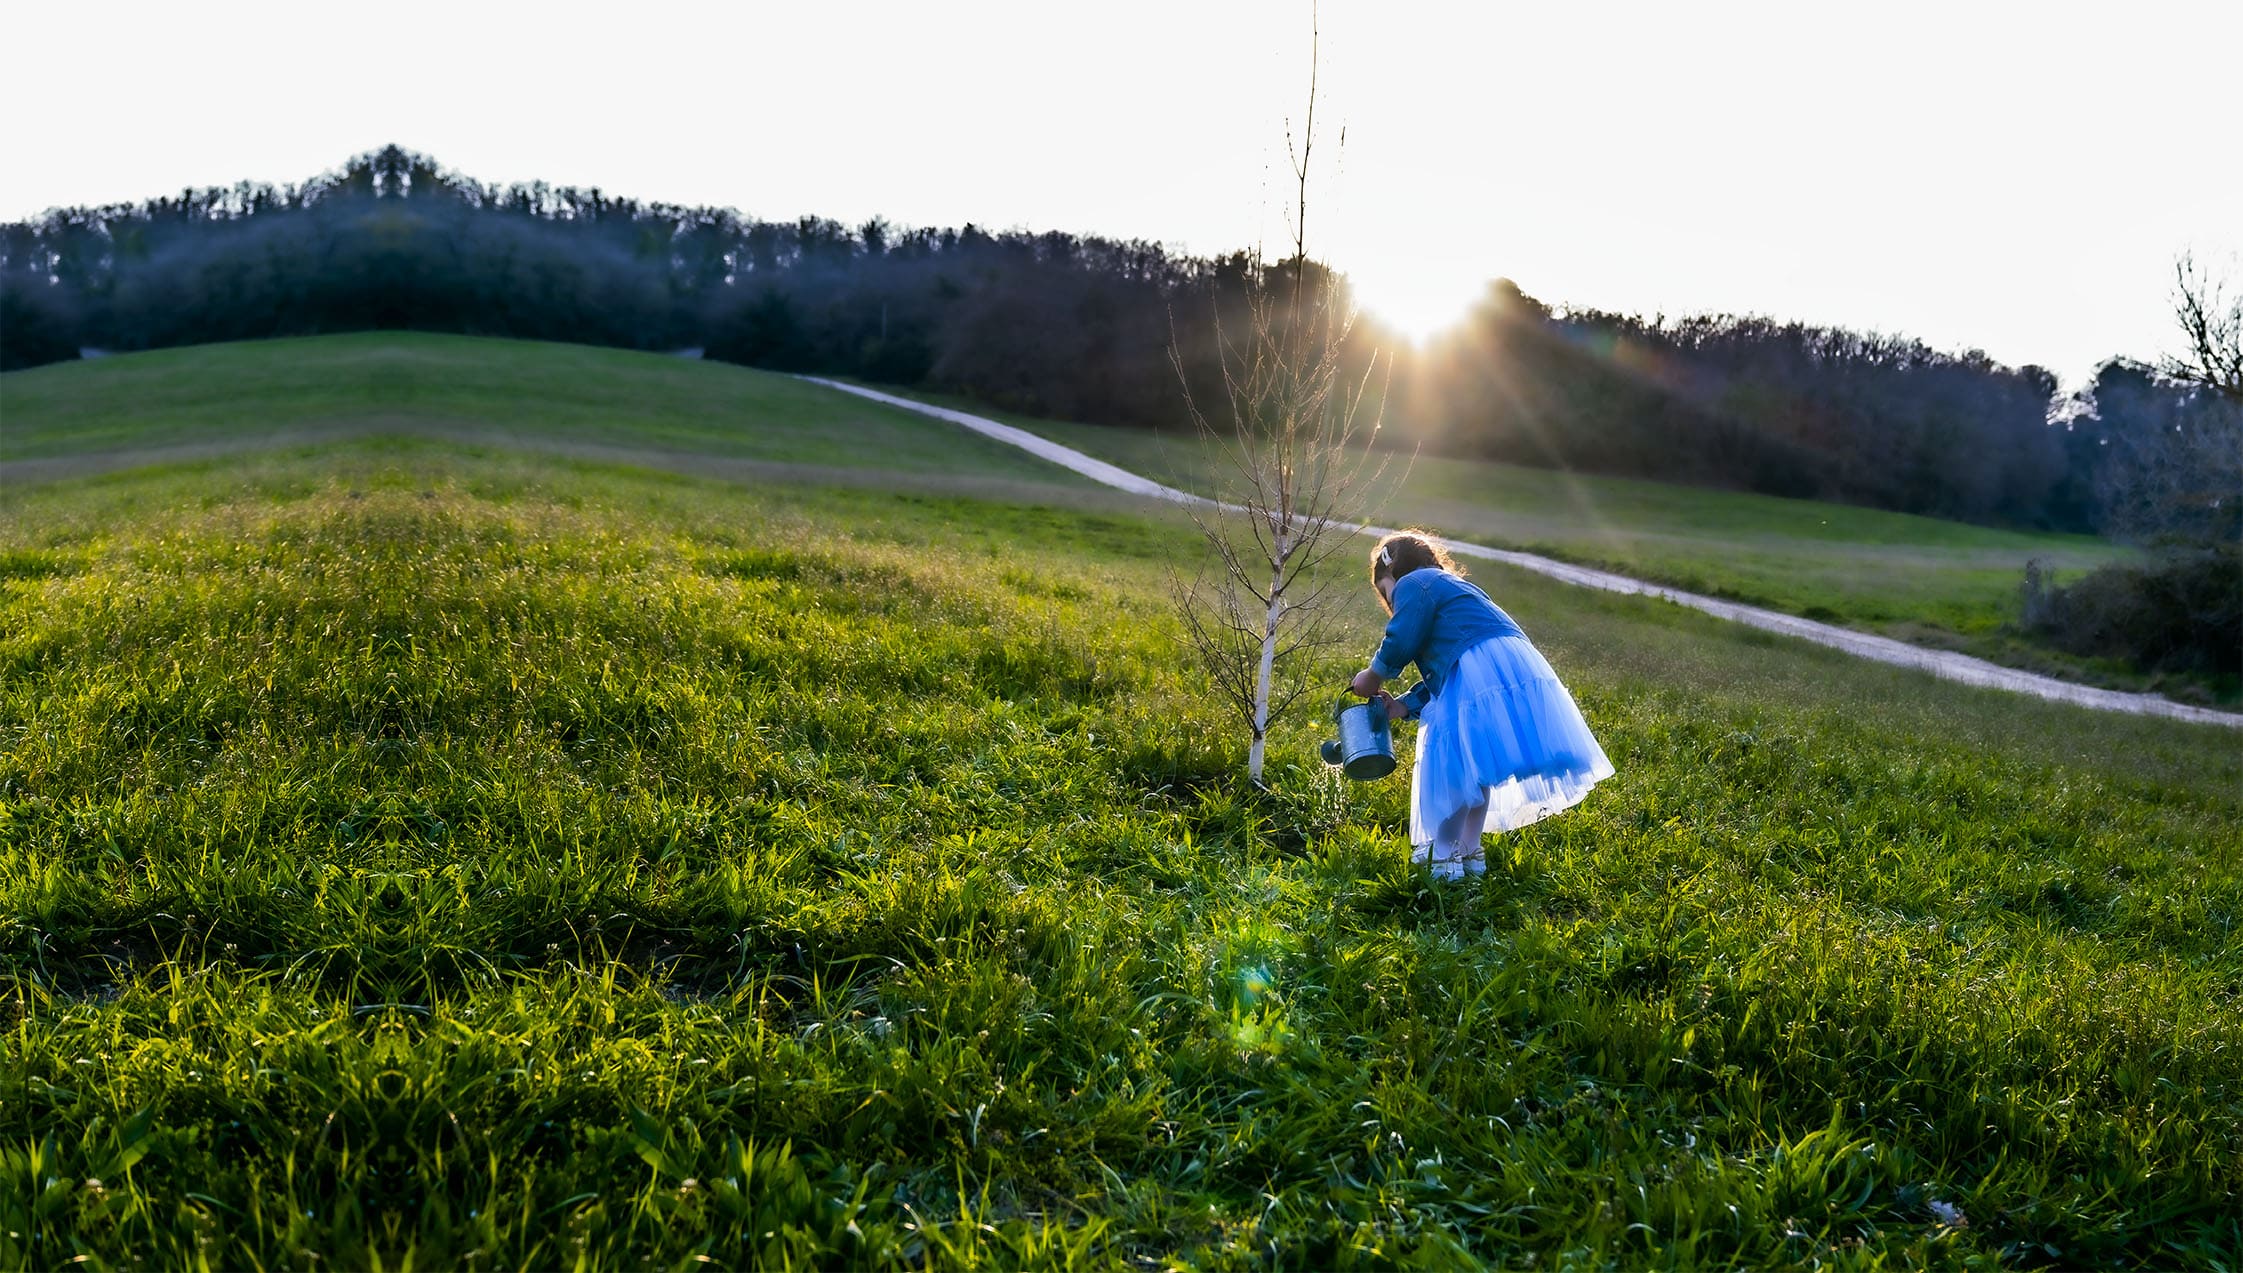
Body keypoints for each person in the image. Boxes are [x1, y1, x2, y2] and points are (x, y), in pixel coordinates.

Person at [1349, 531, 1614, 879]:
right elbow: (1446, 674)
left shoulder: (1416, 584)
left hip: (1478, 662)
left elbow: (1400, 639)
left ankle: (1442, 855)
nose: (1392, 605)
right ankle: (1470, 852)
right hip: (1499, 663)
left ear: (1394, 574)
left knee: (1453, 770)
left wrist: (1373, 675)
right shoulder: (1453, 587)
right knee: (1475, 769)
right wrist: (1402, 706)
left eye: (1387, 594)